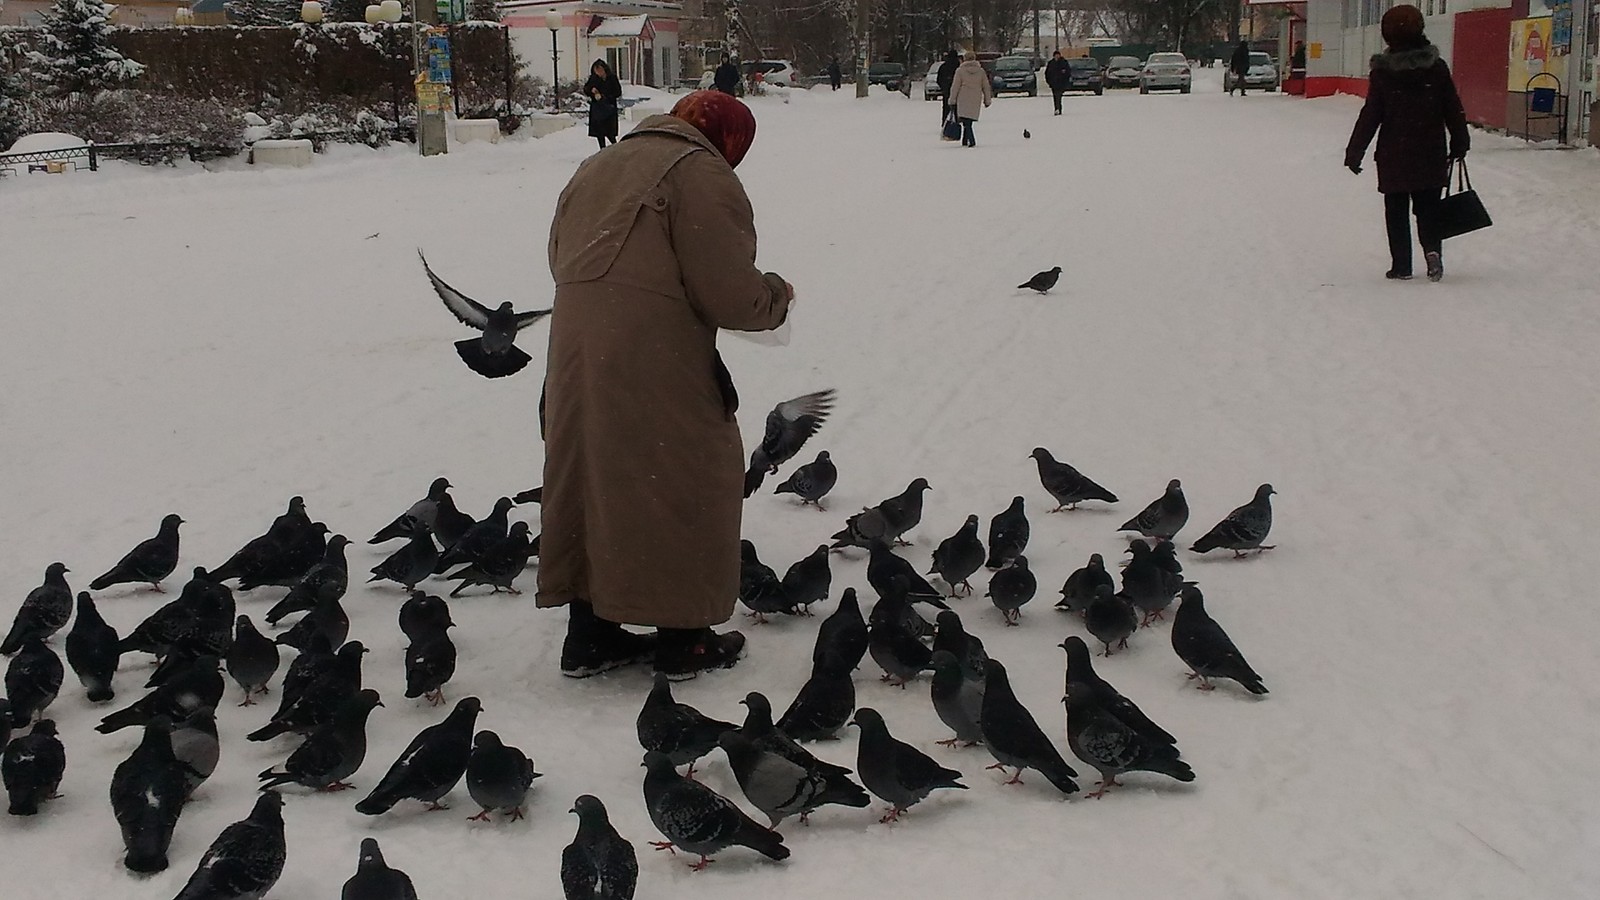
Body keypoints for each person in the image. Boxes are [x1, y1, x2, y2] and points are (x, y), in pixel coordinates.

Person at [541, 90, 794, 680]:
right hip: (651, 350)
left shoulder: (597, 165)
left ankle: (591, 634)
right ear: (729, 138)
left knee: (594, 474)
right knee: (683, 472)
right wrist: (777, 296)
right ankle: (686, 640)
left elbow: (558, 256)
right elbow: (730, 294)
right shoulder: (700, 171)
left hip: (575, 349)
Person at [1344, 4, 1469, 282]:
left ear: (1387, 35)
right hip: (1430, 150)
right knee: (1428, 208)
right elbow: (1452, 106)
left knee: (1396, 210)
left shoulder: (1383, 72)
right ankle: (1433, 253)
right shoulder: (1436, 68)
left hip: (1394, 152)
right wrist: (1460, 140)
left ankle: (1401, 265)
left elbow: (1371, 114)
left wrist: (1355, 151)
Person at [947, 51, 992, 147]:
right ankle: (965, 139)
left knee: (965, 120)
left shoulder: (960, 71)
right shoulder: (981, 71)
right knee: (969, 120)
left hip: (963, 98)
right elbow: (986, 86)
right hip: (975, 98)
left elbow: (955, 86)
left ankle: (971, 140)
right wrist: (987, 100)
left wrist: (952, 100)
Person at [583, 59, 622, 149]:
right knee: (599, 133)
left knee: (610, 133)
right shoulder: (593, 79)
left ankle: (616, 148)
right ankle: (602, 150)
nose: (598, 73)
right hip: (598, 109)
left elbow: (617, 92)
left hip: (609, 108)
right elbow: (586, 89)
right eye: (596, 71)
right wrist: (591, 90)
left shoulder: (612, 78)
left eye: (600, 70)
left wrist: (605, 96)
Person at [937, 49, 960, 125]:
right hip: (958, 91)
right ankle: (957, 123)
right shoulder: (959, 67)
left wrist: (943, 87)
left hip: (947, 90)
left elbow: (939, 79)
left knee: (946, 108)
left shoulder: (943, 66)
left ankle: (945, 123)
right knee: (957, 108)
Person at [1045, 50, 1070, 116]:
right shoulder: (1051, 63)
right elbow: (1047, 73)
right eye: (1055, 55)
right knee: (1055, 96)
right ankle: (1056, 108)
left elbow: (1068, 72)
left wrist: (1065, 79)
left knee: (1058, 96)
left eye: (1058, 55)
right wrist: (1049, 82)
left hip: (1061, 83)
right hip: (1053, 83)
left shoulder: (1063, 62)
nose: (1057, 56)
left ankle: (1058, 108)